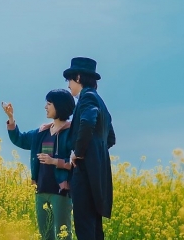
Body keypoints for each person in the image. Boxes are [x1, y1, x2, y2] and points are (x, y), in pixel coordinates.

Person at [2, 89, 76, 240]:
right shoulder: (41, 132)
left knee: (63, 235)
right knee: (45, 236)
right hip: (41, 191)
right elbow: (20, 139)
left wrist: (55, 161)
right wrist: (11, 118)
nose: (45, 107)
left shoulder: (72, 132)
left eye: (49, 104)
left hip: (60, 192)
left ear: (60, 106)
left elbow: (77, 163)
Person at [63, 57, 116, 240]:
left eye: (69, 80)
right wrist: (96, 152)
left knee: (84, 227)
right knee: (94, 229)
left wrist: (78, 153)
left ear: (78, 77)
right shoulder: (101, 102)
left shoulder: (87, 97)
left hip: (85, 173)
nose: (68, 85)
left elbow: (87, 121)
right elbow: (110, 138)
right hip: (98, 174)